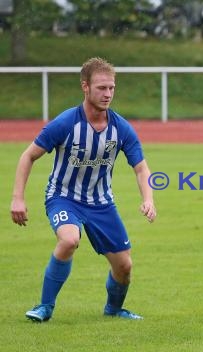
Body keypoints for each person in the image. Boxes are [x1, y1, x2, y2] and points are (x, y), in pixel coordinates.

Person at [11, 57, 157, 323]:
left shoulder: (120, 128)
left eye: (111, 88)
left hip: (101, 203)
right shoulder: (65, 123)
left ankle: (113, 309)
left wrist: (148, 199)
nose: (108, 94)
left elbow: (141, 168)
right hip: (63, 198)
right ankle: (45, 306)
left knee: (124, 267)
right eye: (101, 88)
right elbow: (28, 156)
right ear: (85, 87)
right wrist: (17, 199)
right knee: (69, 240)